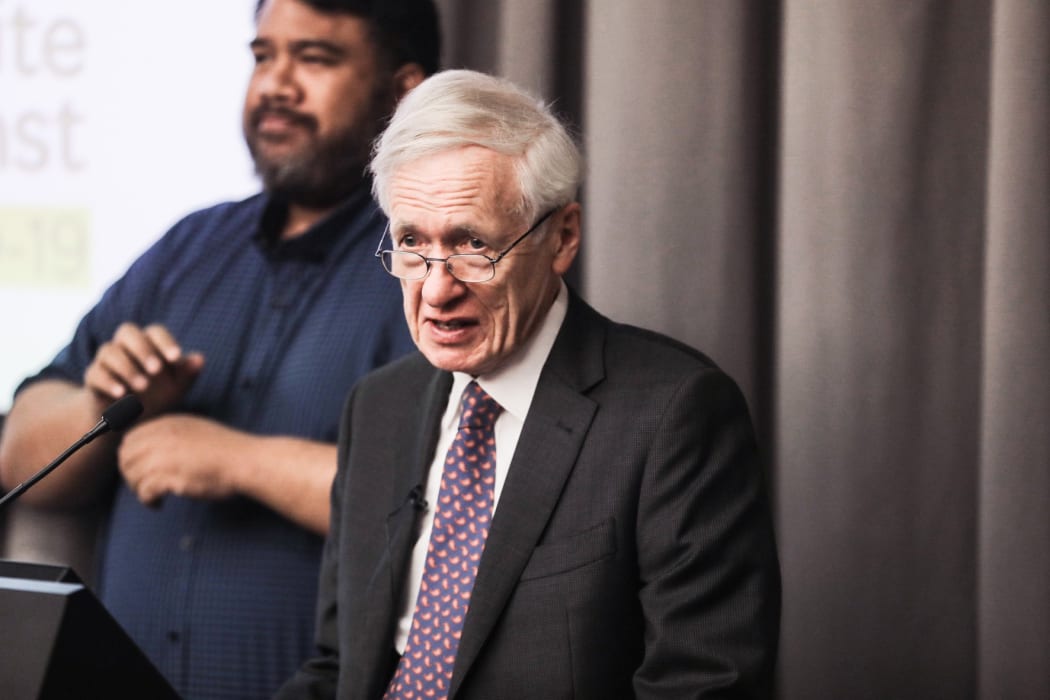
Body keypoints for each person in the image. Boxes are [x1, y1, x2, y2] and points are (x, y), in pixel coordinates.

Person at [276, 69, 781, 700]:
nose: (436, 290)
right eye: (412, 243)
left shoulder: (674, 414)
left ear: (561, 237)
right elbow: (338, 668)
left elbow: (706, 684)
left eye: (473, 245)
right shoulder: (377, 406)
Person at [0, 0, 440, 698]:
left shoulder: (434, 270)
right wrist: (102, 406)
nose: (276, 84)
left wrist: (241, 462)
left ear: (403, 91)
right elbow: (23, 456)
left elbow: (465, 504)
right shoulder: (187, 249)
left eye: (315, 58)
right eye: (263, 56)